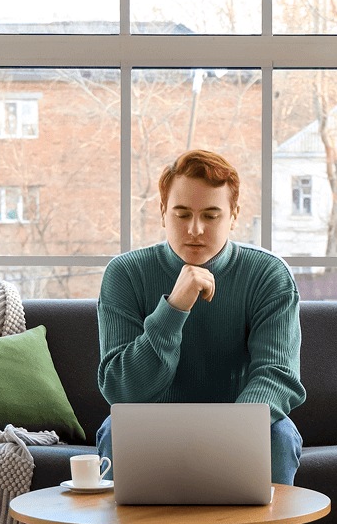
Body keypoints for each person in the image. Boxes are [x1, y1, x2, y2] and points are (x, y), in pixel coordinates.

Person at [96, 149, 306, 485]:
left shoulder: (268, 274)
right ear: (163, 211)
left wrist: (230, 432)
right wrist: (175, 307)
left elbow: (277, 374)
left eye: (210, 216)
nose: (195, 229)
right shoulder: (125, 274)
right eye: (181, 215)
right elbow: (122, 390)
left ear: (234, 216)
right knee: (116, 429)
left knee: (279, 436)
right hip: (150, 421)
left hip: (242, 421)